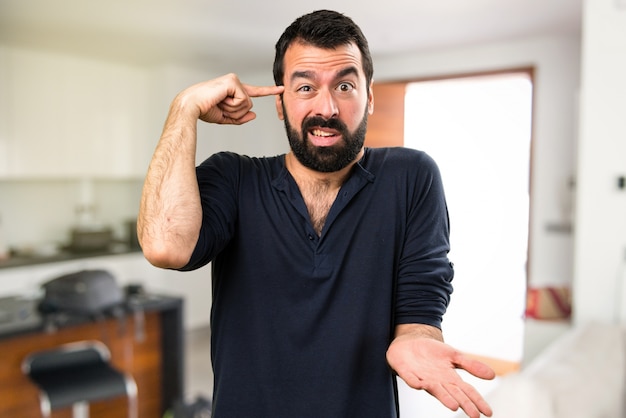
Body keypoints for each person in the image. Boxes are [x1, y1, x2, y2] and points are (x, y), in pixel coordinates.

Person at [138, 9, 495, 418]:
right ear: (280, 102)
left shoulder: (411, 176)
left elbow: (422, 295)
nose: (326, 107)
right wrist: (183, 109)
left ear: (369, 96)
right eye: (305, 87)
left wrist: (415, 338)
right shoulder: (234, 178)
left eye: (344, 85)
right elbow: (164, 246)